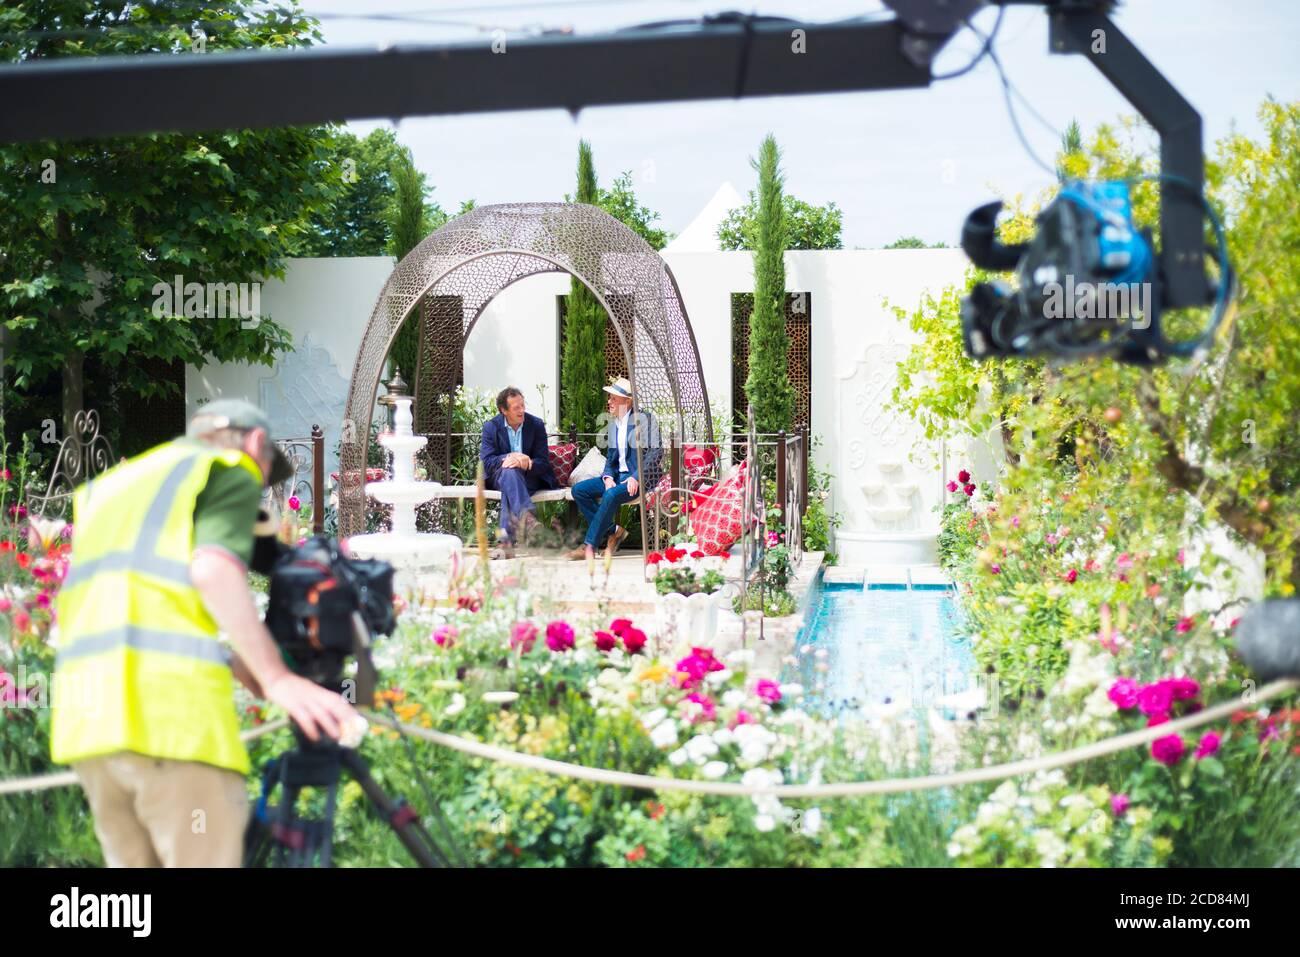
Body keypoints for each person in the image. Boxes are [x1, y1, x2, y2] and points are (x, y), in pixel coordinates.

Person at [49, 399, 360, 868]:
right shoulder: (227, 467)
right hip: (170, 727)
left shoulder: (110, 489)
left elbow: (142, 615)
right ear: (255, 444)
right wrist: (278, 678)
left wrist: (242, 663)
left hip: (90, 729)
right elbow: (213, 571)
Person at [568, 377, 657, 561]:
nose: (609, 402)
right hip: (617, 478)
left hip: (639, 480)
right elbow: (610, 459)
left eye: (613, 398)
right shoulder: (614, 424)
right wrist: (608, 477)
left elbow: (655, 453)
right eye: (609, 398)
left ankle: (589, 546)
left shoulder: (646, 419)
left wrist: (636, 477)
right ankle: (614, 531)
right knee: (579, 491)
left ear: (627, 401)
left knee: (610, 496)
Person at [480, 386, 558, 556]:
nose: (522, 410)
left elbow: (543, 462)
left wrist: (527, 463)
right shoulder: (491, 427)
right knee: (509, 472)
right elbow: (487, 462)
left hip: (529, 477)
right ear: (503, 410)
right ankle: (528, 520)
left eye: (523, 405)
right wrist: (510, 456)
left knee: (511, 483)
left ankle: (505, 544)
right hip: (499, 478)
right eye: (516, 408)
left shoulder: (535, 425)